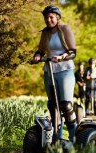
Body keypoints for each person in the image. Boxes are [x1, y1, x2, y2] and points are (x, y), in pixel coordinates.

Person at [32, 5, 77, 142]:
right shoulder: (45, 33)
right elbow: (40, 50)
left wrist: (62, 57)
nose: (48, 20)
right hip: (49, 70)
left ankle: (72, 136)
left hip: (65, 70)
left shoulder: (64, 29)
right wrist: (37, 56)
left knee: (65, 105)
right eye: (46, 17)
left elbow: (73, 52)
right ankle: (56, 137)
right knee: (52, 105)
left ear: (57, 18)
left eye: (51, 17)